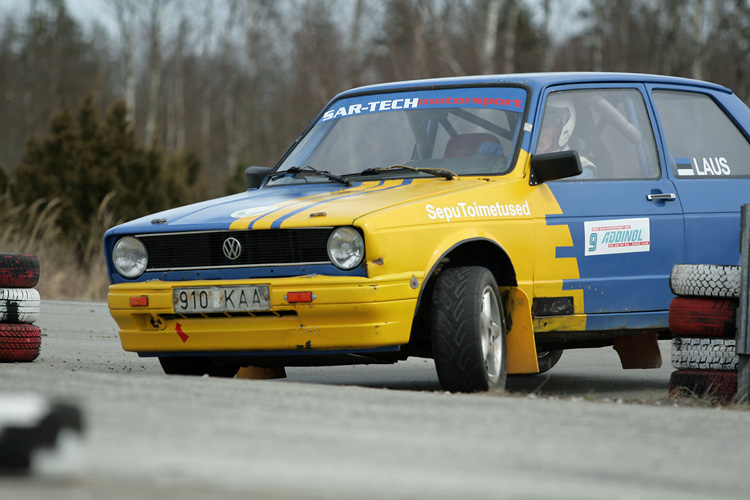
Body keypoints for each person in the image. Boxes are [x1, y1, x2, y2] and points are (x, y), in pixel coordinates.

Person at [537, 97, 596, 179]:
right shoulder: (521, 156)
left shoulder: (577, 170)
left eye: (545, 126)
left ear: (562, 131)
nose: (537, 132)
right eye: (535, 125)